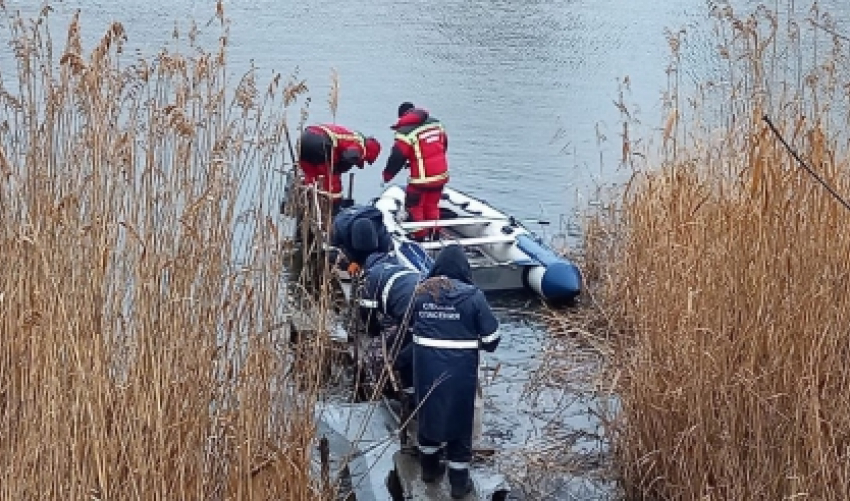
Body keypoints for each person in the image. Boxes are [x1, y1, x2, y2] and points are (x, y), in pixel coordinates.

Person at [410, 244, 500, 499]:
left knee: (427, 415)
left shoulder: (420, 294)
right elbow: (493, 339)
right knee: (460, 423)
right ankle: (459, 484)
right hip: (461, 374)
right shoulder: (473, 296)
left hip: (425, 370)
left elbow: (407, 329)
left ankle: (429, 470)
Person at [382, 102, 449, 241]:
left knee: (414, 207)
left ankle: (419, 238)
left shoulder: (406, 132)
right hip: (441, 175)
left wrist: (387, 176)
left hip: (421, 180)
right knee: (432, 206)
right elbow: (442, 145)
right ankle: (434, 235)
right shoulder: (436, 124)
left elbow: (397, 157)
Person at [299, 123, 381, 216]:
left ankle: (306, 204)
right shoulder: (359, 145)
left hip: (305, 137)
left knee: (310, 175)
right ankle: (334, 211)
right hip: (321, 142)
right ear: (368, 152)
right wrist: (339, 169)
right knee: (332, 182)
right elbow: (350, 156)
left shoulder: (350, 136)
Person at [330, 204, 392, 272]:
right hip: (348, 228)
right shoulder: (340, 229)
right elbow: (333, 249)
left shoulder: (383, 236)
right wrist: (351, 263)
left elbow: (385, 254)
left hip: (372, 239)